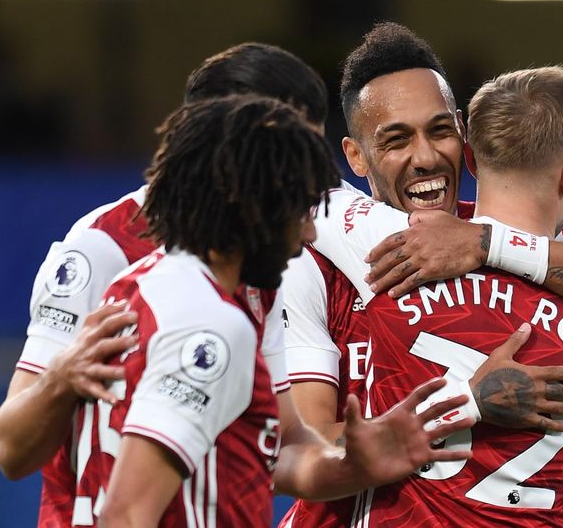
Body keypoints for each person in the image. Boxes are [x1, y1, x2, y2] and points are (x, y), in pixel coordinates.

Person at [280, 23, 563, 526]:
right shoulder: (322, 258)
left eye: (440, 131)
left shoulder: (555, 257)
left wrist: (484, 243)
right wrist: (466, 402)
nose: (425, 158)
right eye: (397, 139)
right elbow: (296, 452)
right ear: (355, 156)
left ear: (465, 142)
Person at [70, 94, 481, 527]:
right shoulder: (209, 324)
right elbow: (128, 513)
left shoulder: (158, 285)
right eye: (298, 209)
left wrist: (354, 463)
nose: (310, 233)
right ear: (249, 204)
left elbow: (287, 450)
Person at [0, 43, 333, 524]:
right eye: (291, 164)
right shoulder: (99, 250)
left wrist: (356, 461)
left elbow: (281, 444)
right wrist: (60, 380)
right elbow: (11, 452)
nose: (310, 195)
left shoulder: (256, 266)